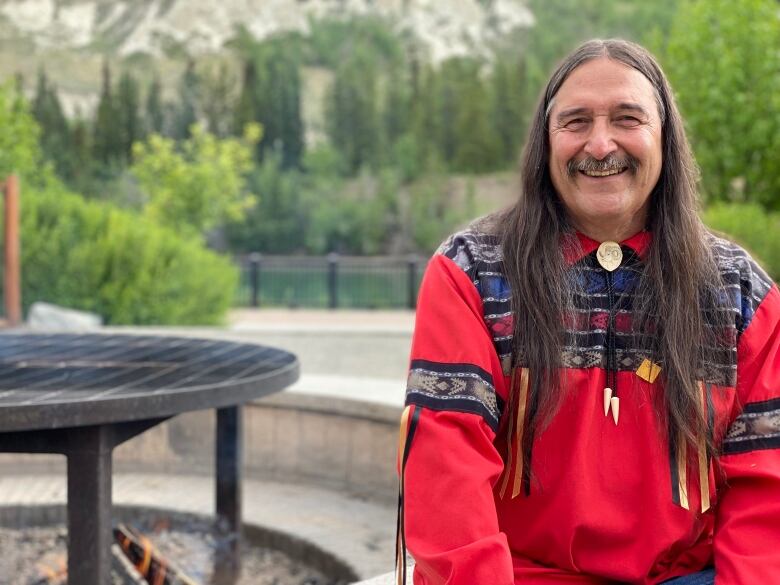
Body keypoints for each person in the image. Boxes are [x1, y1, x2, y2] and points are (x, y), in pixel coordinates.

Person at [396, 39, 780, 585]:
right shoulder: (470, 273)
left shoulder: (742, 292)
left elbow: (768, 487)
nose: (600, 145)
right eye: (575, 121)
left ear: (664, 139)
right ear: (544, 143)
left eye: (627, 118)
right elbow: (443, 462)